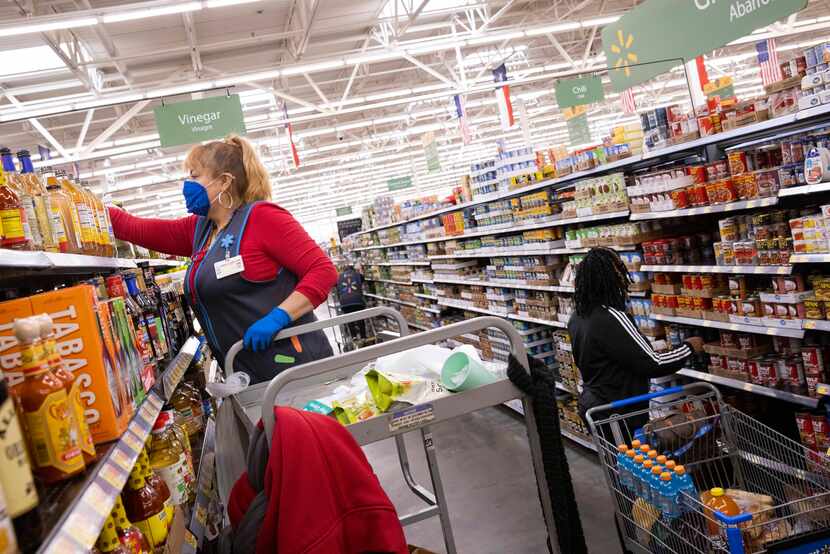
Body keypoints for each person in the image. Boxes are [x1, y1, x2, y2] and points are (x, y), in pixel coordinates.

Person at [108, 135, 337, 384]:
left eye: (195, 176)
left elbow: (323, 270)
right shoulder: (201, 229)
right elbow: (135, 228)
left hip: (292, 366)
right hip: (246, 373)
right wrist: (82, 202)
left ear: (225, 182)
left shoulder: (263, 218)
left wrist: (278, 317)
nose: (187, 184)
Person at [567, 248, 703, 430]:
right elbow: (653, 363)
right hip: (619, 411)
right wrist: (689, 347)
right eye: (620, 271)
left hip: (595, 404)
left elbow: (610, 355)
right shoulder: (612, 316)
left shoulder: (577, 316)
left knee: (618, 458)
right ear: (610, 277)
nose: (624, 277)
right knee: (635, 457)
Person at [336, 263, 367, 339]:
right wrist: (360, 270)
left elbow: (336, 286)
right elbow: (363, 279)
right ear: (353, 269)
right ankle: (363, 336)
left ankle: (354, 336)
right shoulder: (357, 274)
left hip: (344, 302)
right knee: (360, 318)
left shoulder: (339, 276)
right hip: (357, 300)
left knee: (349, 318)